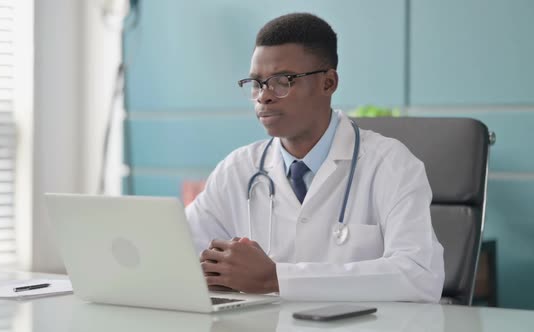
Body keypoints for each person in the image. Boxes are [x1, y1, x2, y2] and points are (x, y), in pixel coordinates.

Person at [185, 13, 444, 302]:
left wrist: (276, 277)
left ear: (328, 83)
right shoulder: (237, 169)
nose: (264, 97)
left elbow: (420, 277)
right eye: (257, 83)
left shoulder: (391, 164)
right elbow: (177, 253)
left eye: (282, 81)